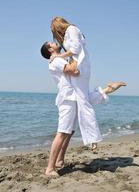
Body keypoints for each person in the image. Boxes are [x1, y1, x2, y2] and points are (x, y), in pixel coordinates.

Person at [40, 41, 126, 177]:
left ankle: (60, 160)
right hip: (67, 99)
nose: (55, 42)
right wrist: (72, 57)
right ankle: (50, 168)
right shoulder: (56, 61)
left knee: (70, 132)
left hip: (75, 95)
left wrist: (67, 56)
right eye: (52, 43)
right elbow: (74, 71)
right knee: (62, 132)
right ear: (50, 49)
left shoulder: (59, 59)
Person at [50, 16, 126, 149]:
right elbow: (74, 53)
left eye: (55, 30)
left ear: (58, 25)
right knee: (83, 99)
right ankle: (108, 89)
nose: (57, 34)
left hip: (81, 67)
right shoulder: (69, 32)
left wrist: (59, 56)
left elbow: (75, 50)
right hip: (81, 66)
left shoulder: (71, 29)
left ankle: (93, 139)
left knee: (83, 102)